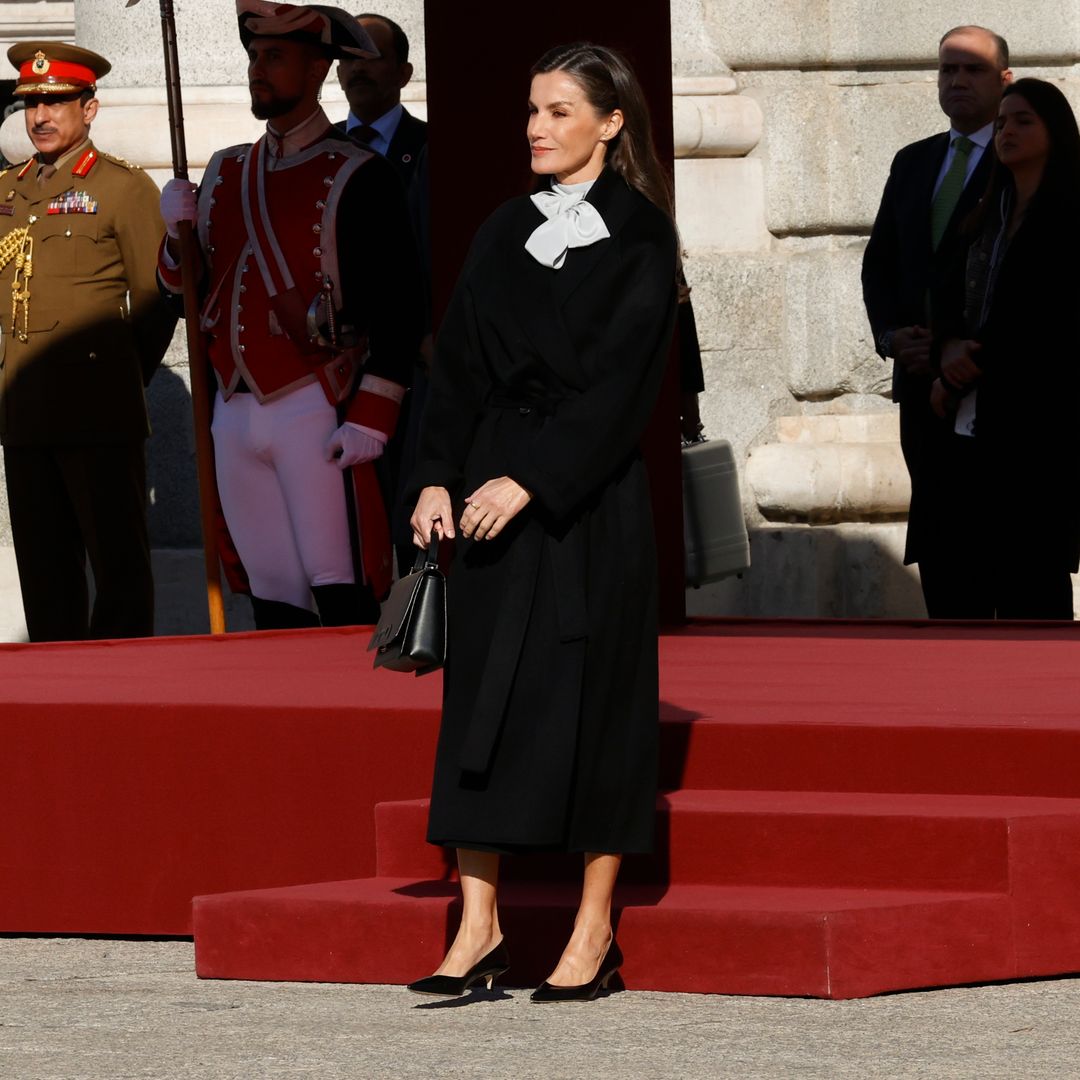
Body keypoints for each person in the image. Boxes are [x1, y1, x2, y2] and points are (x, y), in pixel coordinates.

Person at [406, 42, 679, 1002]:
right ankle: (477, 927)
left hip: (585, 502)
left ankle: (592, 931)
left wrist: (531, 479)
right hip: (485, 494)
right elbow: (456, 366)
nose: (536, 128)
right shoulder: (503, 227)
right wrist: (434, 476)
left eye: (560, 111)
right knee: (480, 703)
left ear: (611, 123)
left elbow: (623, 391)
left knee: (600, 709)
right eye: (532, 110)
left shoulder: (643, 235)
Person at [158, 1, 422, 630]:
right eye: (255, 56)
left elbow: (401, 305)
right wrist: (173, 236)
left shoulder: (360, 173)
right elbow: (183, 292)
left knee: (342, 591)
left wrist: (373, 416)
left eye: (275, 57)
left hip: (316, 401)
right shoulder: (226, 169)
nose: (258, 69)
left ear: (316, 71)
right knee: (270, 596)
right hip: (234, 405)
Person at [0, 42, 176, 642]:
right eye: (31, 104)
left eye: (55, 103)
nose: (40, 116)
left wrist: (115, 377)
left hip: (98, 414)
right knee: (45, 581)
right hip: (24, 414)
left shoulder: (123, 188)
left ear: (89, 108)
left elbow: (155, 302)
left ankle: (123, 690)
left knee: (119, 576)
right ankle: (58, 691)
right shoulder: (8, 190)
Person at [862, 25, 1012, 617]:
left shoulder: (1019, 158)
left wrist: (956, 346)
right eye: (949, 69)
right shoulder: (914, 160)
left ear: (1004, 80)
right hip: (920, 387)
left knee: (1000, 550)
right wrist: (891, 337)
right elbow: (881, 263)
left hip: (990, 386)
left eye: (974, 70)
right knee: (942, 549)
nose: (958, 81)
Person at [926, 78, 1080, 619]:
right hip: (972, 418)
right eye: (1001, 123)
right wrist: (946, 349)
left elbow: (1045, 321)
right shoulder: (986, 210)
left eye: (1023, 121)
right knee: (973, 574)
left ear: (1054, 132)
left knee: (1031, 579)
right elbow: (947, 294)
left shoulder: (1069, 215)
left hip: (1039, 421)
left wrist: (964, 368)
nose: (1006, 131)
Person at [335, 12, 426, 185]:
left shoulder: (427, 145)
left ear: (403, 74)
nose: (358, 67)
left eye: (372, 56)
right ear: (339, 75)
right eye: (349, 57)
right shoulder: (317, 146)